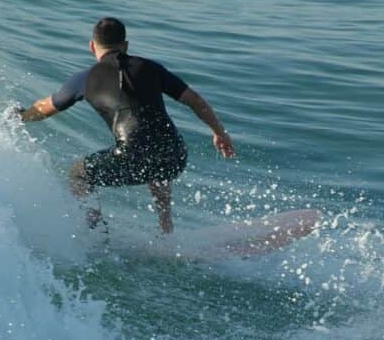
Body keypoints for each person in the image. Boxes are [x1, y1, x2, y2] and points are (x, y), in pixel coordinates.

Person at [12, 17, 235, 233]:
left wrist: (20, 116)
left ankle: (97, 233)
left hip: (132, 157)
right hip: (176, 156)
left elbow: (44, 108)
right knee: (158, 151)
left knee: (78, 174)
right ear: (125, 46)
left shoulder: (85, 79)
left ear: (92, 46)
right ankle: (166, 229)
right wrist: (219, 133)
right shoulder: (151, 68)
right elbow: (194, 100)